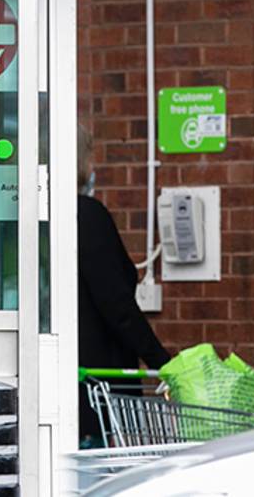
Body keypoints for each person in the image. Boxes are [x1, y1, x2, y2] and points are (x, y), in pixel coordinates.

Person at [76, 124, 172, 446]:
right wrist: (162, 362)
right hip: (93, 392)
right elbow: (116, 305)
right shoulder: (86, 217)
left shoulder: (40, 219)